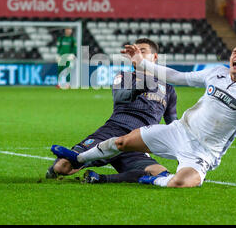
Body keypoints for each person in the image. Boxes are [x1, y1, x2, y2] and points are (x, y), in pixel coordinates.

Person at [52, 41, 236, 188]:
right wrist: (142, 63)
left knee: (181, 182)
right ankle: (78, 159)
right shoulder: (217, 73)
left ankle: (153, 181)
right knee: (122, 142)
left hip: (204, 151)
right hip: (179, 131)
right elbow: (178, 76)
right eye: (234, 51)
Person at [47, 38, 178, 184]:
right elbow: (120, 97)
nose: (138, 55)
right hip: (112, 133)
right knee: (63, 167)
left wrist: (182, 153)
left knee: (160, 173)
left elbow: (173, 126)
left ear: (154, 57)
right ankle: (55, 169)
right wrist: (141, 86)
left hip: (137, 143)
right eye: (135, 52)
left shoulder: (168, 89)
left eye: (142, 51)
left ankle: (100, 179)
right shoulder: (124, 76)